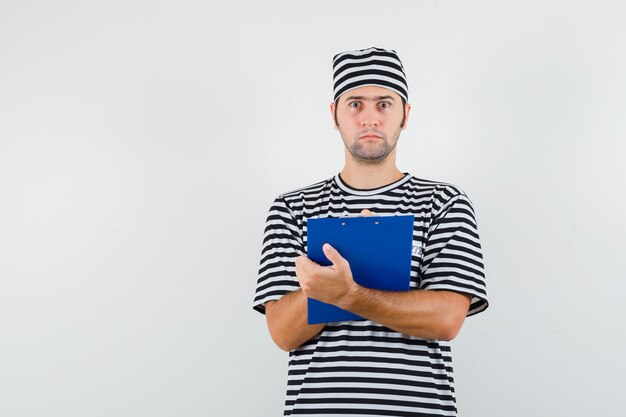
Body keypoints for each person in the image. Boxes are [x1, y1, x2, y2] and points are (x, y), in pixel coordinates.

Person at [253, 47, 488, 417]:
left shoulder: (443, 203)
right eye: (355, 104)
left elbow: (446, 319)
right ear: (334, 114)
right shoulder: (291, 209)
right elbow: (282, 332)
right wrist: (330, 288)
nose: (369, 118)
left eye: (384, 104)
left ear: (405, 115)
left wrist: (347, 294)